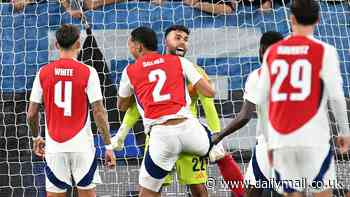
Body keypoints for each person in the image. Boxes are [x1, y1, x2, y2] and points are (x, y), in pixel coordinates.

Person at [113, 25, 245, 197]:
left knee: (193, 187)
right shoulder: (180, 64)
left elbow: (209, 104)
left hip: (163, 135)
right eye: (177, 37)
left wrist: (217, 133)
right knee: (217, 156)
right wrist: (215, 138)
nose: (182, 42)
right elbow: (134, 110)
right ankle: (241, 188)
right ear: (164, 42)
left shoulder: (139, 70)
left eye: (185, 39)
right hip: (188, 132)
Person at [257, 0, 350, 196]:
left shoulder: (272, 52)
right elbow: (336, 97)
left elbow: (262, 102)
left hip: (282, 141)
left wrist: (269, 141)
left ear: (291, 19)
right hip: (313, 139)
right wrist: (345, 132)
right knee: (323, 191)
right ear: (318, 19)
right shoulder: (325, 51)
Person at [27, 24, 116, 197]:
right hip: (82, 147)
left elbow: (31, 113)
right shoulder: (88, 72)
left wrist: (36, 137)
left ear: (56, 45)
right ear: (78, 44)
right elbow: (99, 112)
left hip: (54, 148)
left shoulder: (43, 72)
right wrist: (108, 146)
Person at [212, 31, 284, 197]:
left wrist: (219, 136)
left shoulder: (258, 76)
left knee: (249, 191)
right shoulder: (297, 75)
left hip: (270, 144)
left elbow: (245, 116)